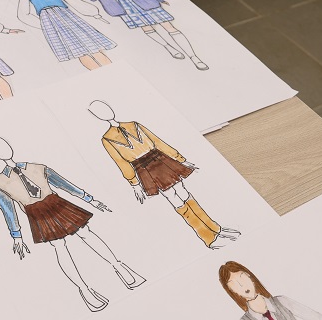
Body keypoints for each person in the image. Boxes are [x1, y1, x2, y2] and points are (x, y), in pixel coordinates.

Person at [0, 137, 145, 312]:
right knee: (59, 246)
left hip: (56, 203)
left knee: (86, 232)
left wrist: (89, 199)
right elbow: (8, 210)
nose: (3, 150)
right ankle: (85, 290)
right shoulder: (0, 183)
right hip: (37, 213)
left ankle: (120, 267)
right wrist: (16, 235)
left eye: (4, 145)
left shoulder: (36, 167)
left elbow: (64, 184)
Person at [88, 100, 238, 248]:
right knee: (174, 198)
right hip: (144, 168)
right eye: (99, 111)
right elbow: (121, 162)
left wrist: (180, 159)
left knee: (184, 193)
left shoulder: (133, 124)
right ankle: (208, 237)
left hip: (160, 159)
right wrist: (134, 183)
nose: (105, 112)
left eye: (105, 107)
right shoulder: (107, 139)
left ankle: (216, 229)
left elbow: (158, 142)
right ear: (97, 116)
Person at [73, 0, 208, 70]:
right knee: (147, 28)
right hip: (120, 5)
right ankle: (169, 47)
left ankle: (194, 57)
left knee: (169, 26)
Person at [16, 0, 116, 70]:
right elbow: (23, 14)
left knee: (90, 43)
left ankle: (111, 68)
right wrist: (43, 25)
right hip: (49, 21)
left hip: (66, 16)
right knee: (78, 51)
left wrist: (92, 12)